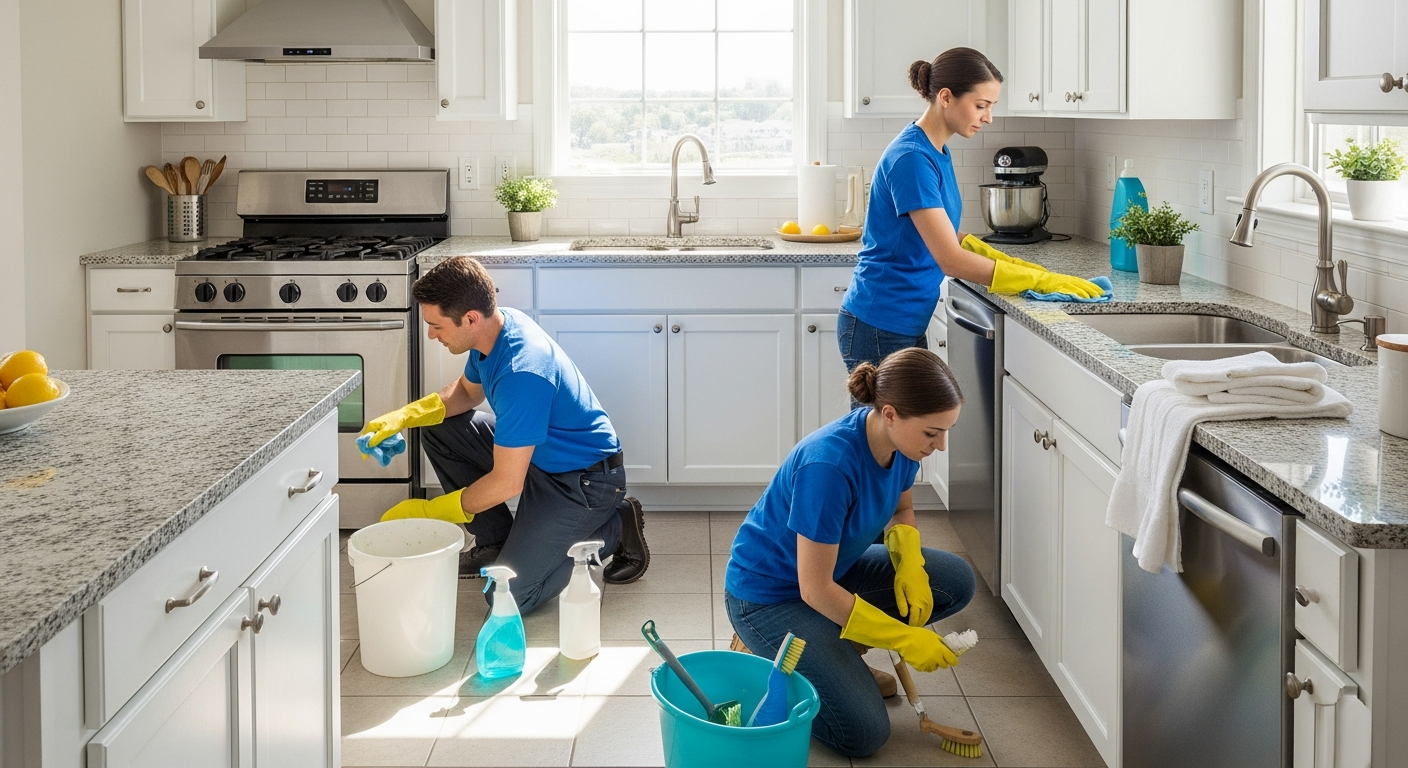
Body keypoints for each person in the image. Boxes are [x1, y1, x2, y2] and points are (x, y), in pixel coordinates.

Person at [361, 256, 650, 613]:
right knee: (437, 428)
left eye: (436, 326)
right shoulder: (495, 330)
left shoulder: (521, 371)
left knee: (508, 595)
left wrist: (433, 510)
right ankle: (494, 543)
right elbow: (466, 393)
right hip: (540, 456)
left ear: (470, 318)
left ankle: (615, 526)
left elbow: (507, 482)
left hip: (584, 481)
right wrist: (403, 417)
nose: (431, 335)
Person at [725, 348, 973, 758]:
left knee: (953, 580)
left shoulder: (903, 447)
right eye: (932, 433)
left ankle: (832, 656)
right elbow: (815, 590)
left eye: (946, 431)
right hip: (769, 598)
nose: (941, 446)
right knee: (864, 734)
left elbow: (901, 510)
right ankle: (768, 657)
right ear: (890, 414)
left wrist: (910, 564)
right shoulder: (829, 467)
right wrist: (904, 638)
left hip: (829, 573)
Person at [839, 47, 1102, 375]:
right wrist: (1037, 280)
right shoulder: (913, 159)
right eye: (981, 105)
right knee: (890, 413)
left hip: (898, 319)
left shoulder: (935, 150)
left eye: (991, 106)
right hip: (880, 323)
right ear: (946, 97)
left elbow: (948, 233)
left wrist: (1015, 265)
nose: (988, 117)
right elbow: (950, 259)